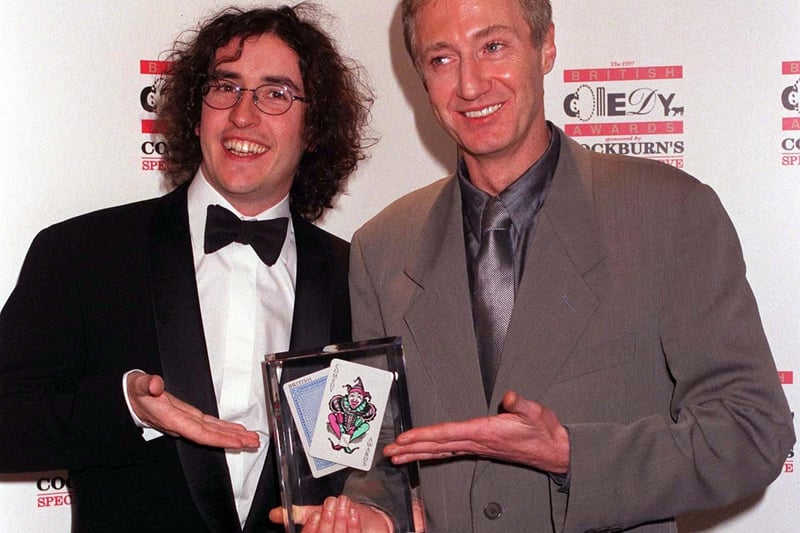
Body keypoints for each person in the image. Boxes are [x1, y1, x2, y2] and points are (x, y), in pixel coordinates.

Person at [346, 0, 796, 531]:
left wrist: (573, 455)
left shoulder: (670, 213)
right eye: (442, 59)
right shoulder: (380, 247)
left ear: (546, 46)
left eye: (493, 47)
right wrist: (378, 509)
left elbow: (753, 430)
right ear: (421, 76)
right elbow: (370, 452)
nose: (470, 85)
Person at [0, 4, 372, 533]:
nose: (243, 115)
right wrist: (128, 406)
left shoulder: (357, 274)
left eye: (276, 92)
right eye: (225, 86)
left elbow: (369, 449)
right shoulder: (81, 253)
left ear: (314, 128)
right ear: (196, 111)